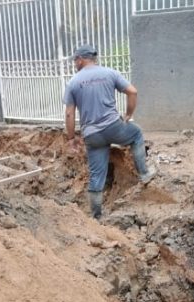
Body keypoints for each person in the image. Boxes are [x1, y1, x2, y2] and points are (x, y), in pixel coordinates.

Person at [63, 45, 156, 220]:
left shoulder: (74, 82)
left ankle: (96, 216)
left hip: (92, 135)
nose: (74, 63)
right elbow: (132, 91)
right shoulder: (110, 73)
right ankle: (144, 174)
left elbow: (69, 113)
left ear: (81, 59)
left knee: (97, 174)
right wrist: (129, 114)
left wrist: (71, 138)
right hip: (114, 127)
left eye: (75, 60)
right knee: (136, 134)